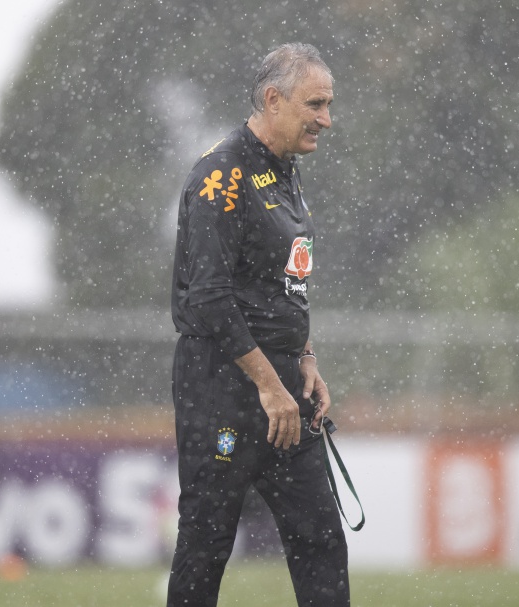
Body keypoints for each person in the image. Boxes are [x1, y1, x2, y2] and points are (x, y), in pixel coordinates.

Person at [167, 43, 349, 606]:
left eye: (329, 104)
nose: (326, 119)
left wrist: (305, 359)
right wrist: (269, 386)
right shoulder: (221, 174)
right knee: (207, 539)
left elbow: (283, 283)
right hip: (224, 388)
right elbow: (210, 296)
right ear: (274, 99)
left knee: (321, 538)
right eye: (315, 105)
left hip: (285, 394)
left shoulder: (286, 171)